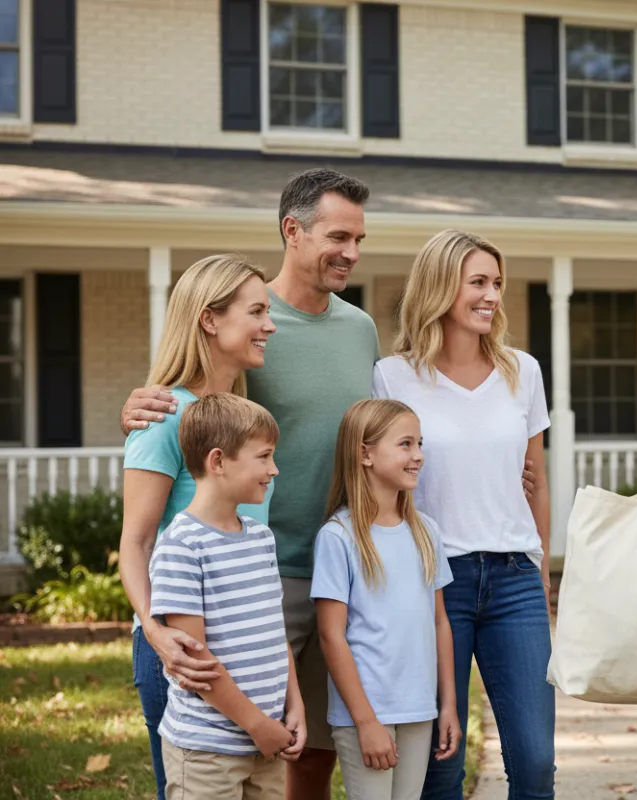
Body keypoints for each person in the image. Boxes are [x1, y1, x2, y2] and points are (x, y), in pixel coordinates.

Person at [120, 169, 534, 800]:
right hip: (259, 574)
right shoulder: (248, 322)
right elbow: (192, 404)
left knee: (309, 750)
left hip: (346, 567)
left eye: (360, 239)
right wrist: (140, 406)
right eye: (339, 236)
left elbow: (382, 435)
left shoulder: (360, 328)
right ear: (293, 231)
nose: (352, 252)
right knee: (220, 747)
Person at [371, 230, 554, 800]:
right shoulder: (393, 377)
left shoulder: (522, 371)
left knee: (536, 760)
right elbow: (379, 480)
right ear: (440, 288)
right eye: (478, 282)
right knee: (439, 767)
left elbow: (536, 483)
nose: (492, 295)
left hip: (514, 583)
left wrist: (542, 575)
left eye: (497, 283)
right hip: (431, 582)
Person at [119, 254, 278, 799]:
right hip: (184, 648)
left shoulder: (239, 418)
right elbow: (136, 541)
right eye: (256, 311)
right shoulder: (163, 414)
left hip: (247, 649)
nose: (269, 325)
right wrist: (156, 631)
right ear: (210, 319)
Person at [148, 393, 306, 799]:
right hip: (207, 752)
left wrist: (295, 707)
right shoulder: (182, 545)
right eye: (264, 456)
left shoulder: (261, 538)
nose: (274, 469)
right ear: (218, 461)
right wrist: (257, 724)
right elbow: (195, 659)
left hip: (267, 741)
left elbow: (275, 632)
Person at [312, 399, 459, 800]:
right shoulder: (338, 537)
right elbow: (331, 636)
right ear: (365, 454)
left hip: (418, 709)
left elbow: (439, 622)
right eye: (405, 444)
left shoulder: (426, 532)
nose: (418, 456)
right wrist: (366, 721)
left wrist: (447, 705)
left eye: (420, 444)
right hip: (367, 714)